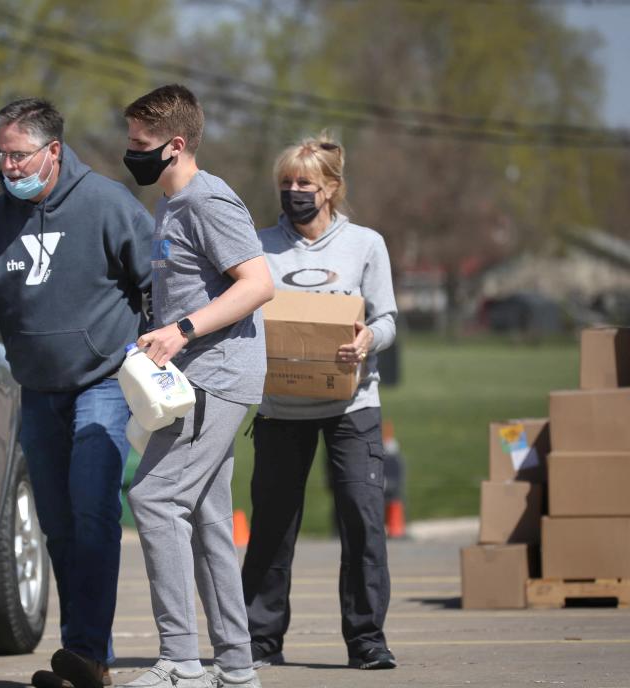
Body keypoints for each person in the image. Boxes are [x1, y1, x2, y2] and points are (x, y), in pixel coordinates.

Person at [0, 98, 154, 688]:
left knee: (93, 509)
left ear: (53, 151)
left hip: (104, 380)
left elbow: (157, 278)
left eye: (19, 155)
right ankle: (90, 658)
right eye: (1, 154)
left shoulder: (106, 204)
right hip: (37, 390)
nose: (9, 166)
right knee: (57, 522)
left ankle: (82, 651)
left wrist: (164, 352)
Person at [119, 84, 274, 688]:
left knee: (155, 499)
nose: (129, 153)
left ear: (175, 144)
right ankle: (235, 668)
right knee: (208, 519)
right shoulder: (172, 204)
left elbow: (258, 283)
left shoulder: (208, 202)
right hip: (191, 379)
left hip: (216, 378)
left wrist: (181, 330)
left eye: (140, 144)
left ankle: (181, 662)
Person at [240, 134, 398, 671]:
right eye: (286, 183)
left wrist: (366, 341)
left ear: (331, 188)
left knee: (361, 517)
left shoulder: (366, 245)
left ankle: (367, 640)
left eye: (305, 183)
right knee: (272, 525)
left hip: (353, 408)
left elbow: (387, 320)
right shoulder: (258, 246)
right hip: (280, 408)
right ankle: (261, 640)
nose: (294, 191)